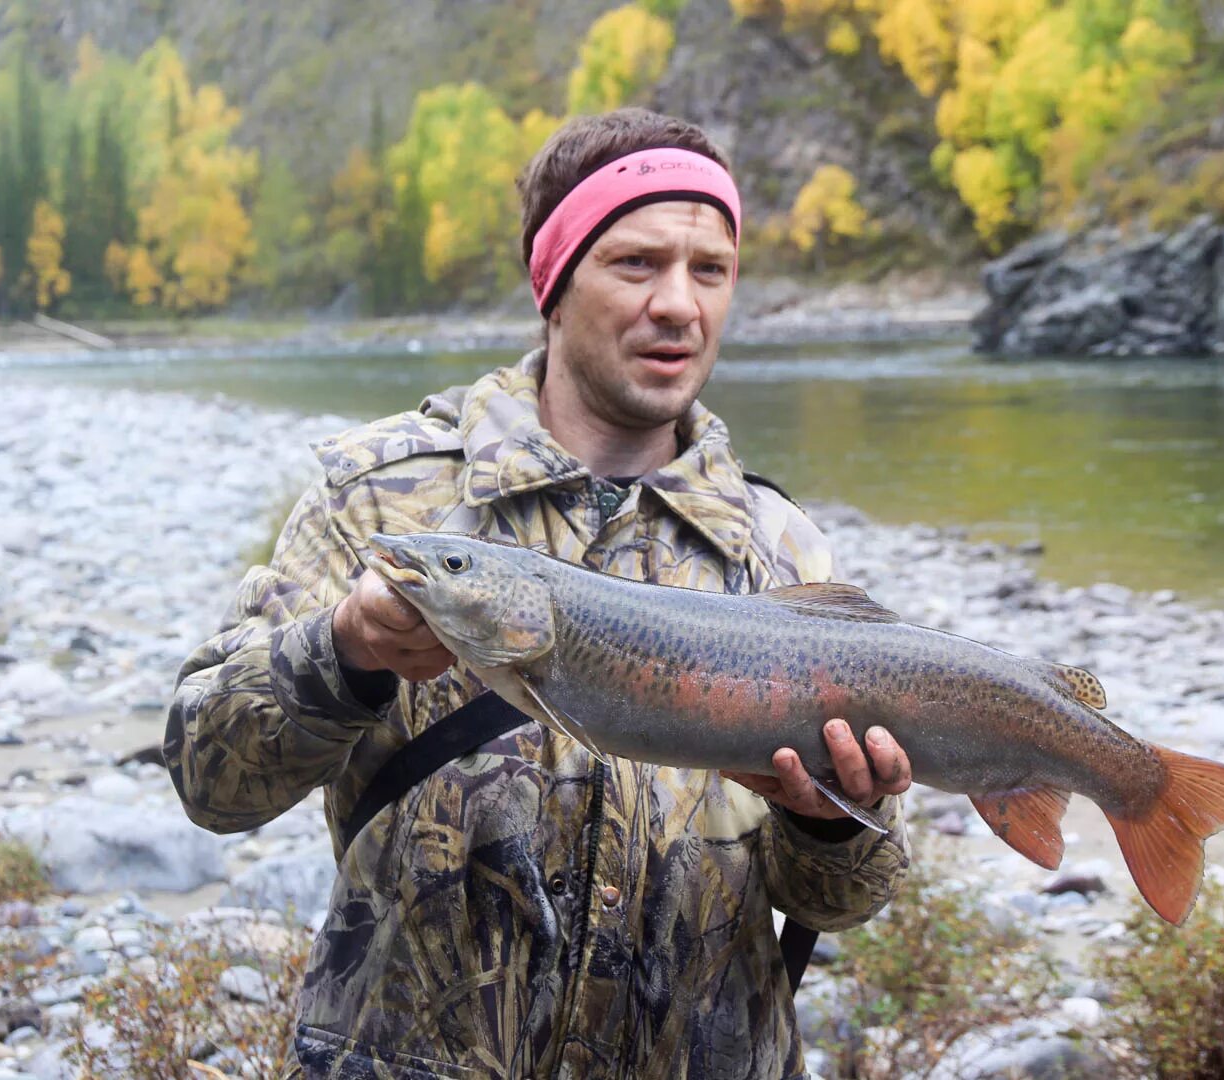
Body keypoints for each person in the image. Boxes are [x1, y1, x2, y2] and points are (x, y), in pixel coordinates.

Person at [165, 107, 912, 1080]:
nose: (680, 305)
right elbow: (208, 781)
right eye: (636, 263)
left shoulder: (782, 552)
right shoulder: (388, 501)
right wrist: (341, 653)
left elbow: (841, 901)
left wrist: (827, 818)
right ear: (553, 284)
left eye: (710, 270)